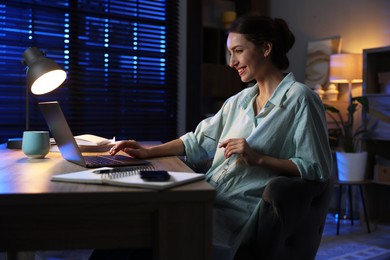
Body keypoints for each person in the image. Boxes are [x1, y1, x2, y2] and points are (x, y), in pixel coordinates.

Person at [107, 15, 332, 260]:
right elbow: (197, 140)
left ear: (266, 48)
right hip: (205, 198)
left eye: (238, 51)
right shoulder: (239, 101)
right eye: (229, 52)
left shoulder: (301, 99)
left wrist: (258, 159)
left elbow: (316, 168)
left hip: (236, 214)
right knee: (124, 233)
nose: (232, 62)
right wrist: (146, 151)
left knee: (140, 239)